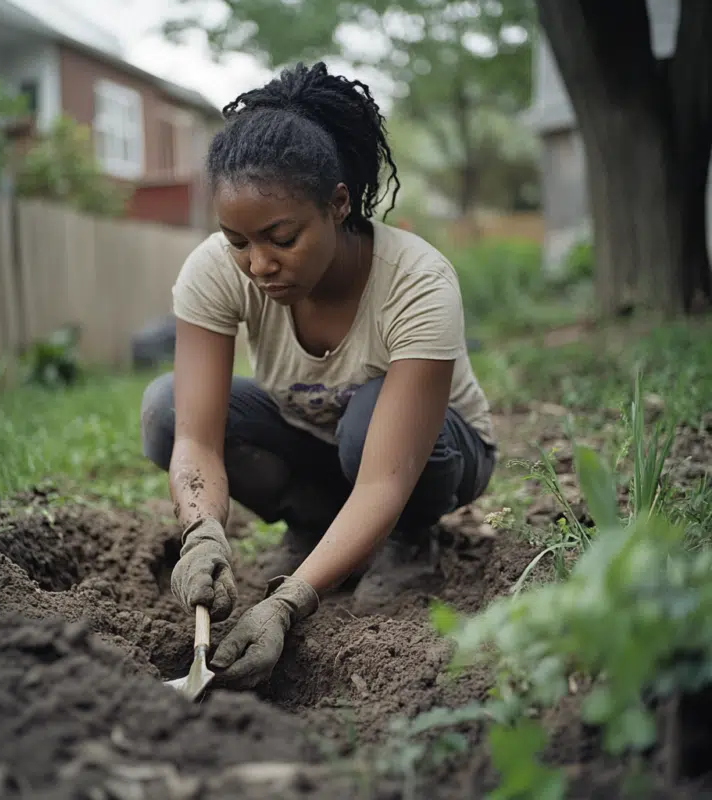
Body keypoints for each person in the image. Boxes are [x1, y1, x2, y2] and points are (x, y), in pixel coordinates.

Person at [140, 62, 497, 691]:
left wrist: (286, 603)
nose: (258, 264)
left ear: (337, 204)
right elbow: (195, 437)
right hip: (320, 449)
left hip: (426, 461)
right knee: (165, 409)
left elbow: (385, 477)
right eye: (237, 242)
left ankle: (410, 540)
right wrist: (202, 532)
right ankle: (314, 525)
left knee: (367, 418)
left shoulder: (417, 282)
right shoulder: (216, 272)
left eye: (281, 237)